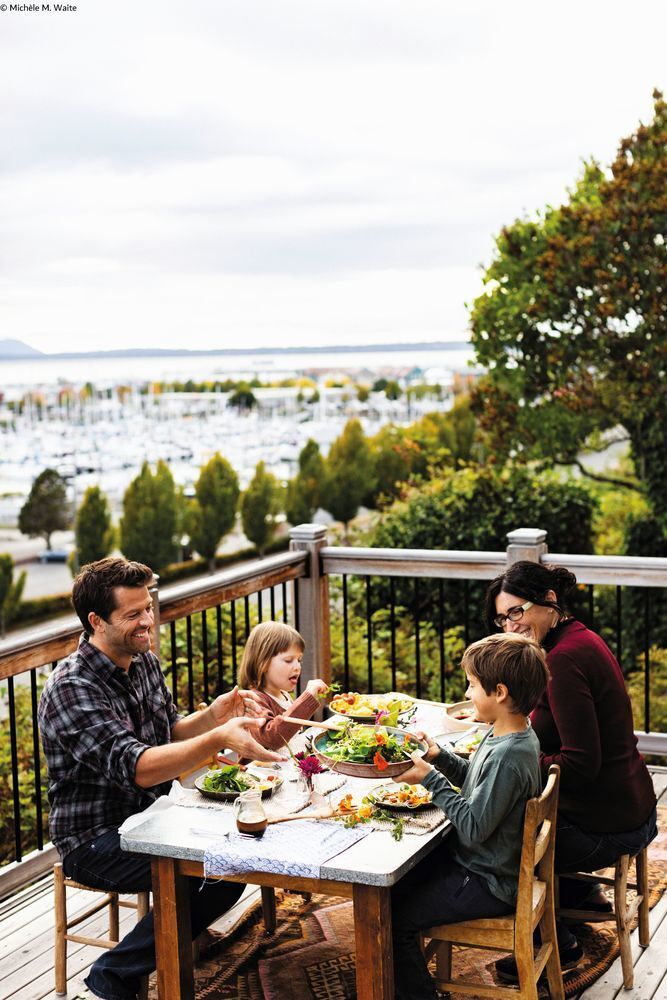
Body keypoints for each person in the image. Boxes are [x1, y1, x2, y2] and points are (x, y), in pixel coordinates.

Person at [38, 557, 282, 1000]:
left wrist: (214, 715)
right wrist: (216, 741)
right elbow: (138, 765)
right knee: (213, 874)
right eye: (133, 614)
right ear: (96, 622)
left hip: (155, 815)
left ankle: (151, 952)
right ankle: (114, 973)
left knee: (235, 858)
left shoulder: (142, 658)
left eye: (147, 607)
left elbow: (168, 730)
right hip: (94, 838)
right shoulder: (71, 688)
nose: (147, 620)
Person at [485, 560, 658, 978]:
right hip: (630, 802)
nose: (510, 625)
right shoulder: (576, 639)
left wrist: (516, 757)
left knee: (496, 831)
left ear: (548, 601)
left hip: (609, 823)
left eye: (516, 611)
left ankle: (554, 940)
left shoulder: (560, 661)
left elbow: (580, 763)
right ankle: (582, 893)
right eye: (501, 617)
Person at [390, 632, 549, 1000]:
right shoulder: (509, 734)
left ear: (500, 693)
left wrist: (430, 780)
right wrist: (439, 759)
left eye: (473, 685)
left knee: (393, 916)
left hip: (488, 880)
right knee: (395, 885)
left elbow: (474, 826)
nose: (466, 694)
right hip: (483, 866)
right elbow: (477, 784)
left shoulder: (509, 756)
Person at [237, 620, 329, 754]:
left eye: (299, 660)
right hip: (260, 773)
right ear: (263, 663)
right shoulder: (254, 702)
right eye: (288, 660)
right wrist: (307, 698)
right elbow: (273, 738)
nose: (297, 666)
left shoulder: (283, 695)